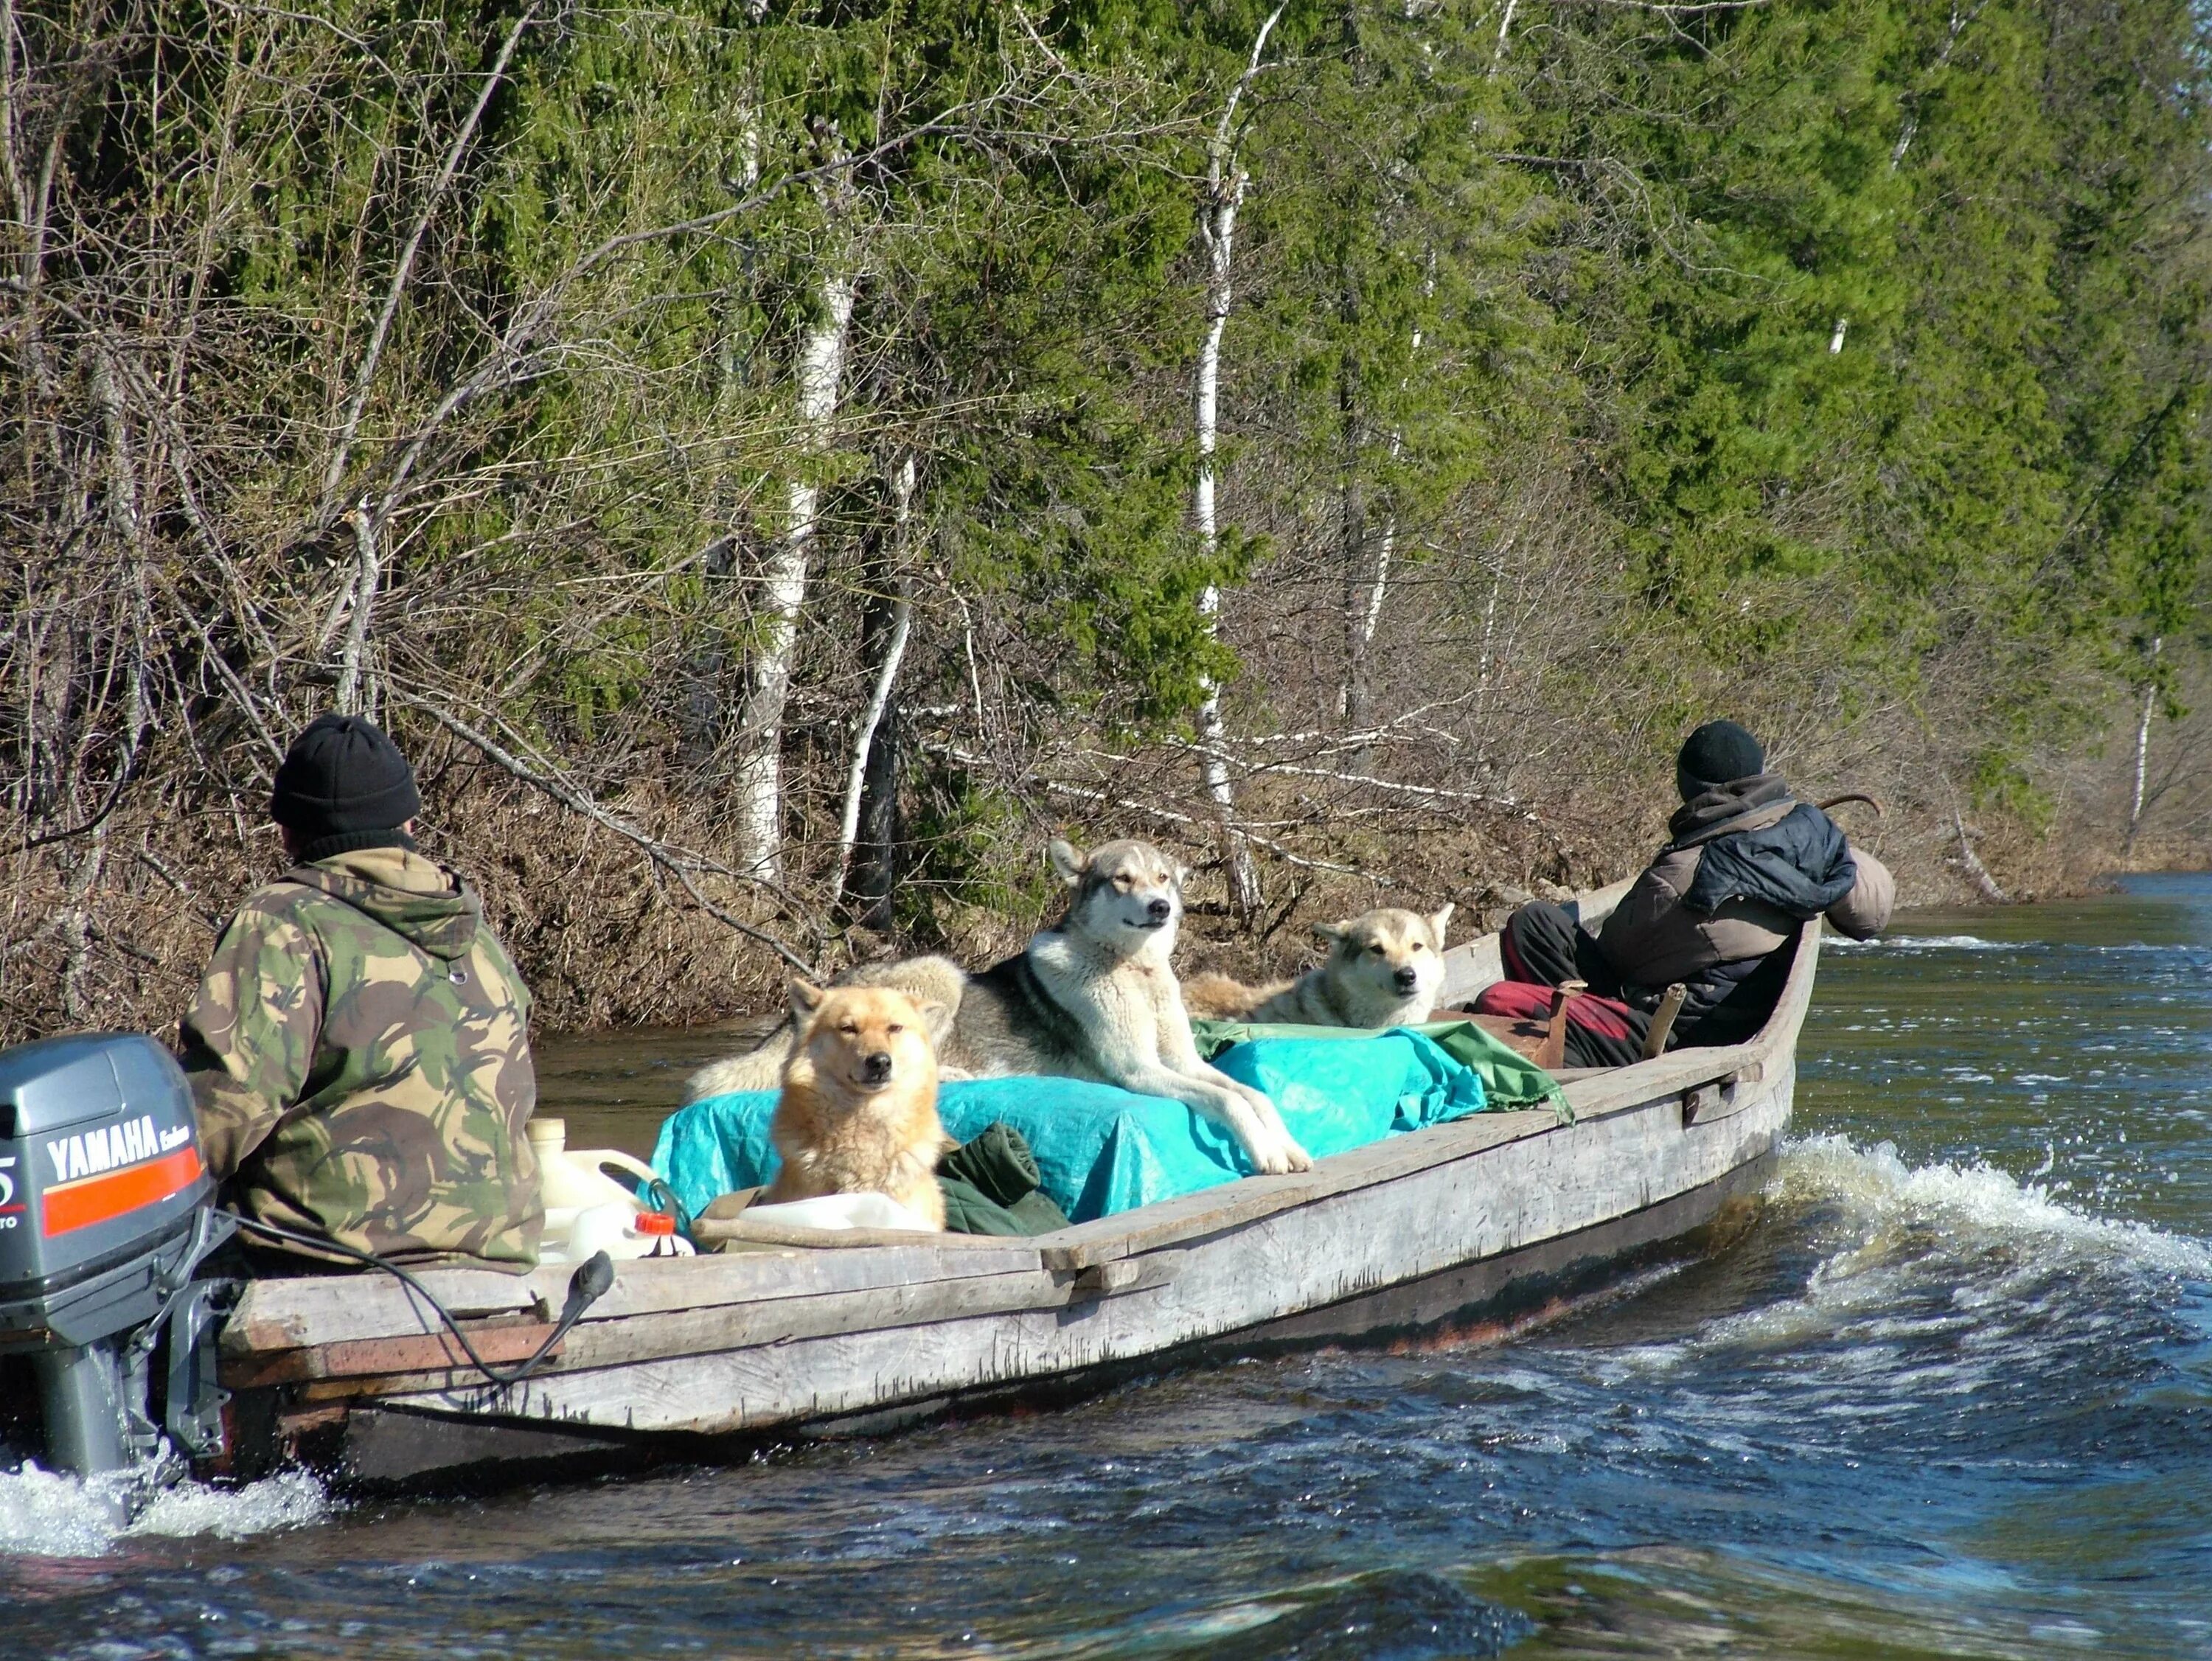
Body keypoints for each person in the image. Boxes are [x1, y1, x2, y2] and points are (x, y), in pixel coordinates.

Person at [177, 714, 542, 1272]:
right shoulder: (474, 930)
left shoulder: (283, 922)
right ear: (410, 823)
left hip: (332, 1268)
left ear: (288, 832)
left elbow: (222, 1117)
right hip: (499, 1261)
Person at [1476, 720, 1894, 1068]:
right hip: (1738, 1006)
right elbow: (1871, 915)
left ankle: (1581, 1060)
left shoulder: (1683, 875)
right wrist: (1827, 848)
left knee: (1499, 1001)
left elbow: (1619, 958)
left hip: (1685, 1035)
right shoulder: (1813, 839)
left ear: (1689, 789)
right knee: (1534, 924)